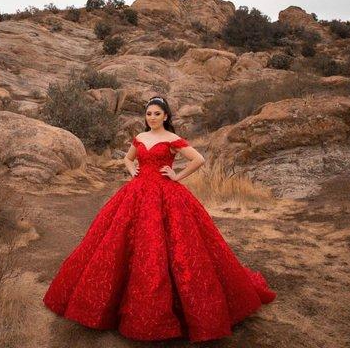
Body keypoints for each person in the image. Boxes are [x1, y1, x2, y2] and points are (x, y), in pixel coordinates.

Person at [42, 95, 277, 343]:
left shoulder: (172, 139)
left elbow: (199, 159)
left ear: (165, 116)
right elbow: (128, 157)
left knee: (178, 248)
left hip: (167, 195)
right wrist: (131, 168)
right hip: (136, 193)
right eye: (148, 114)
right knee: (119, 245)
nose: (152, 117)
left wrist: (177, 176)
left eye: (156, 113)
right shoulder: (140, 138)